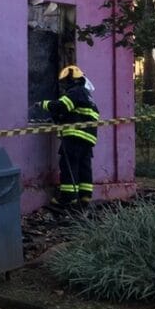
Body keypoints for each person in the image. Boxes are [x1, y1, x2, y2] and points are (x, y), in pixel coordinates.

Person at [38, 65, 99, 209]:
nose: (64, 86)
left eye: (66, 82)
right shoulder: (89, 97)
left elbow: (61, 106)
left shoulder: (76, 92)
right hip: (88, 139)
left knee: (69, 166)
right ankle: (85, 197)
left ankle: (68, 199)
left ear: (72, 80)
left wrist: (43, 104)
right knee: (84, 168)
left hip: (74, 137)